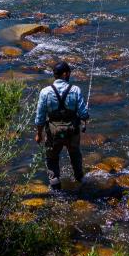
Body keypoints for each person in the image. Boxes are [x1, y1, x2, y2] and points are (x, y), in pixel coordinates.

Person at [34, 61, 90, 190]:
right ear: (65, 74)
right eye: (69, 73)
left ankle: (55, 185)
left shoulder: (45, 92)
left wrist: (39, 134)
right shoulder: (75, 90)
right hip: (72, 131)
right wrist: (86, 116)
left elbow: (40, 117)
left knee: (52, 159)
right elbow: (83, 114)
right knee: (75, 155)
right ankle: (80, 180)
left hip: (53, 133)